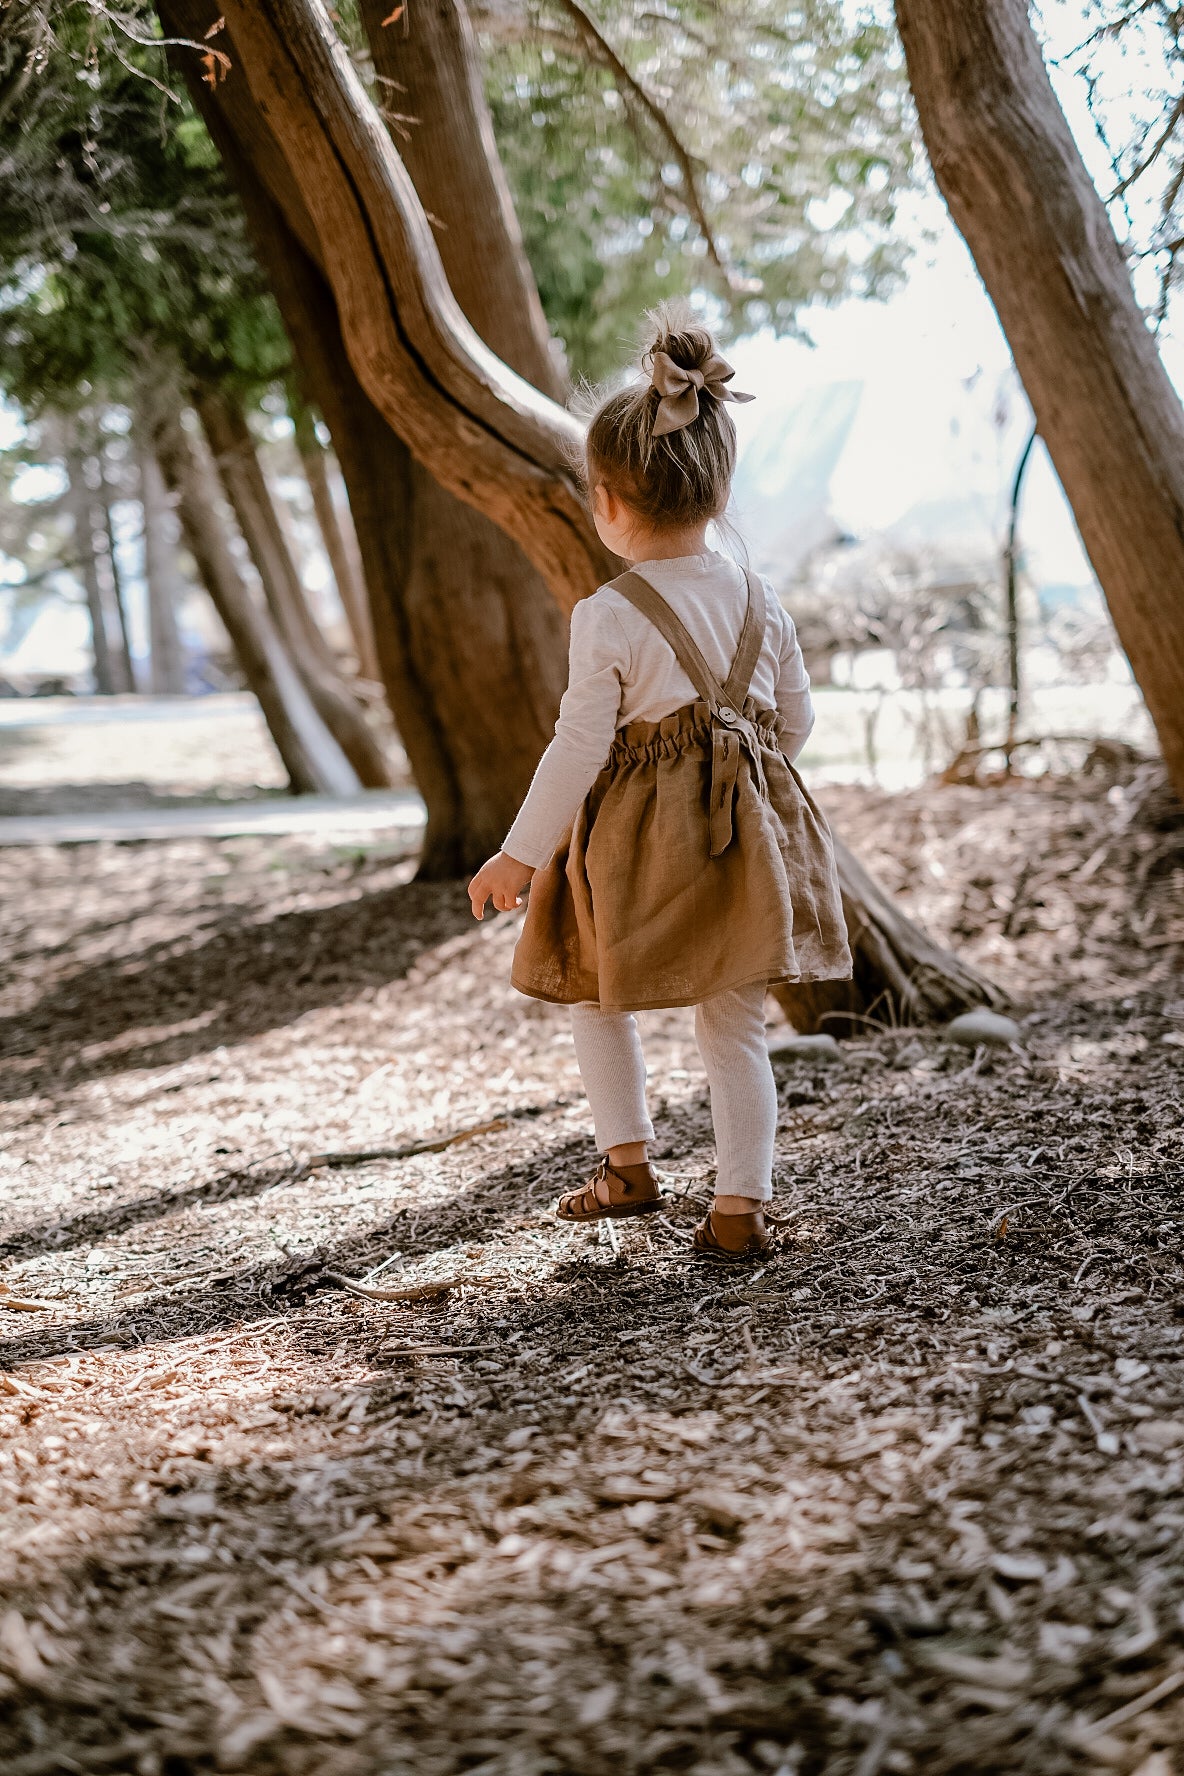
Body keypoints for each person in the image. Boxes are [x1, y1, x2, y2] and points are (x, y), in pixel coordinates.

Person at [468, 309, 851, 1259]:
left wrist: (520, 853)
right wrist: (738, 762)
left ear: (604, 500)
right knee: (736, 1025)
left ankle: (628, 1165)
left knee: (600, 995)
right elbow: (794, 724)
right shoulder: (764, 602)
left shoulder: (608, 615)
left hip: (633, 844)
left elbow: (578, 748)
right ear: (718, 492)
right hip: (744, 834)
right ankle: (737, 1209)